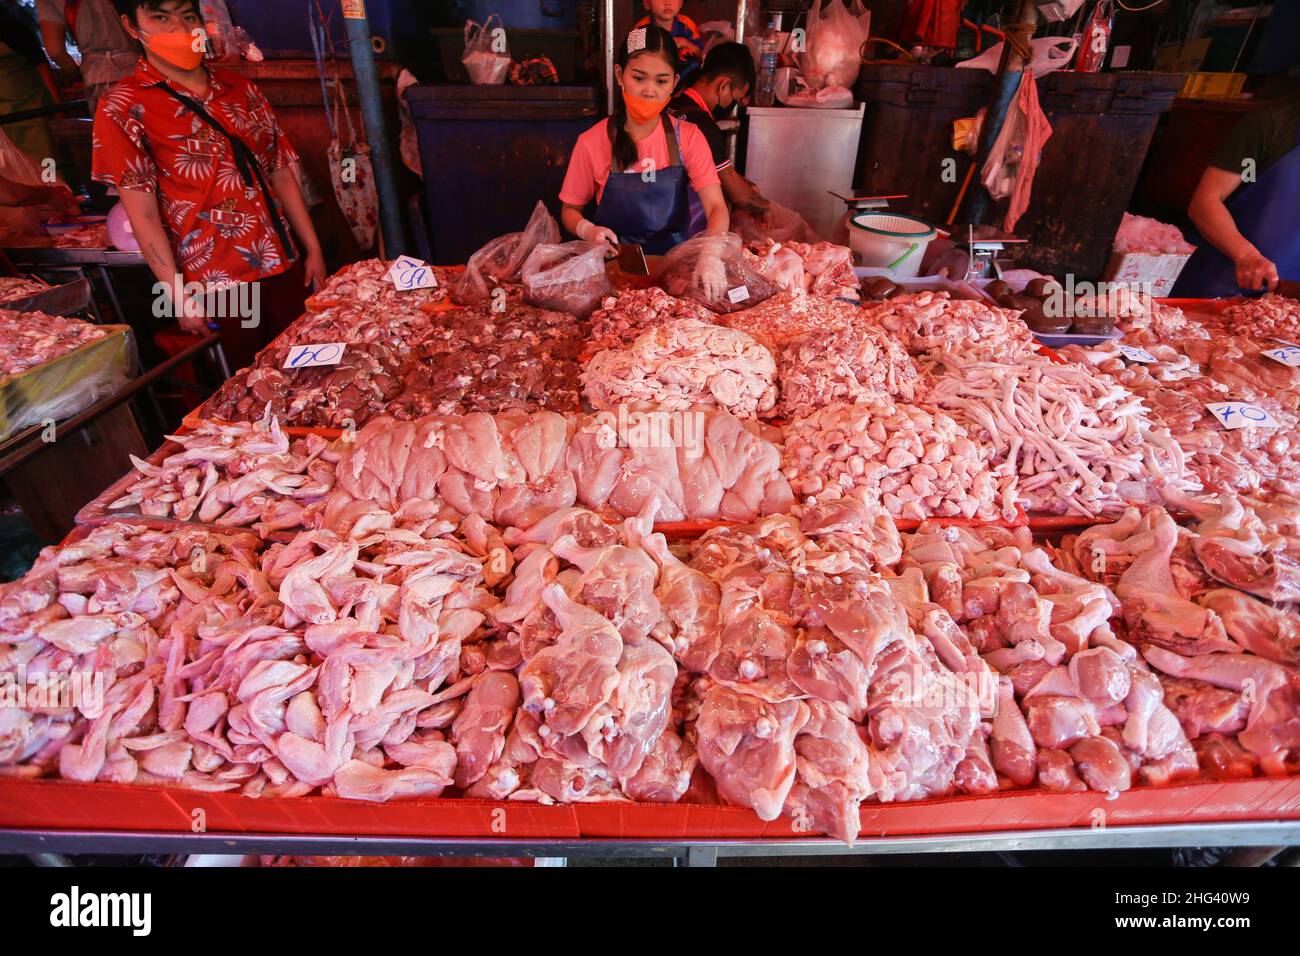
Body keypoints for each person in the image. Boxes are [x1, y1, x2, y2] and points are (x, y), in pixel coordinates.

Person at [92, 0, 325, 369]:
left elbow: (280, 170)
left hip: (283, 262)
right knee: (255, 380)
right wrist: (178, 295)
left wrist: (312, 248)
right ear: (131, 26)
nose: (179, 29)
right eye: (160, 18)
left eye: (188, 17)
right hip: (216, 281)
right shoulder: (123, 106)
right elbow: (144, 216)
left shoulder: (240, 88)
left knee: (309, 367)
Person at [559, 24, 727, 263]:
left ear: (674, 83)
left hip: (674, 268)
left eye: (661, 81)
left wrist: (712, 256)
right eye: (638, 78)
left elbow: (716, 208)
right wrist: (588, 230)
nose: (649, 91)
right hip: (614, 268)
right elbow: (569, 210)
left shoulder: (689, 137)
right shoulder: (591, 141)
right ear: (620, 75)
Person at [1173, 92, 1300, 297]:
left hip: (1291, 305)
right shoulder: (1271, 124)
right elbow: (1206, 202)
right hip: (1224, 285)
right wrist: (1246, 256)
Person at [669, 41, 772, 231]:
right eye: (735, 100)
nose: (732, 106)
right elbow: (737, 194)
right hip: (685, 230)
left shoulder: (674, 104)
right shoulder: (701, 124)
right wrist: (767, 207)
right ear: (724, 85)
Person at [36, 0, 139, 111]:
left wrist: (78, 75)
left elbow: (55, 50)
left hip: (99, 78)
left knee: (113, 126)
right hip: (145, 68)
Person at [636, 0, 702, 67]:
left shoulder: (687, 25)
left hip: (686, 73)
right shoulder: (640, 29)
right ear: (647, 3)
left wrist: (685, 43)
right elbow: (632, 59)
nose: (668, 2)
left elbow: (701, 55)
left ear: (681, 3)